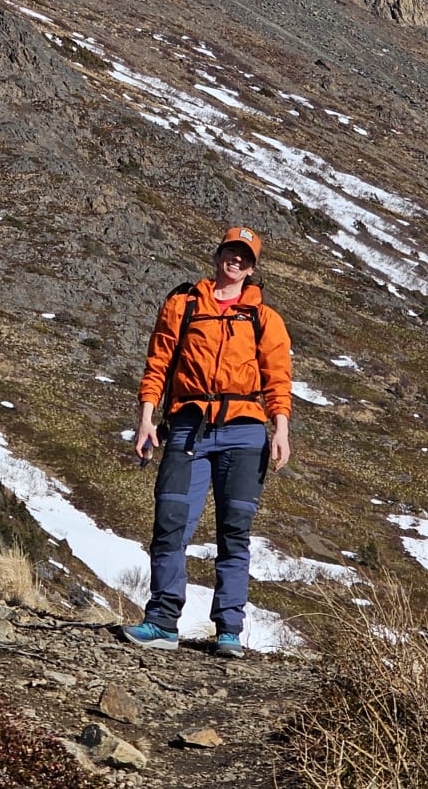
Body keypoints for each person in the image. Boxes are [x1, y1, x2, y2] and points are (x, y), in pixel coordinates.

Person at [121, 226, 292, 659]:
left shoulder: (264, 318)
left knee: (234, 533)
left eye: (244, 257)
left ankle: (229, 630)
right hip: (188, 425)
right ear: (218, 256)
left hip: (245, 430)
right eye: (230, 252)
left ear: (252, 268)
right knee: (171, 522)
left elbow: (277, 378)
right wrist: (146, 418)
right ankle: (161, 620)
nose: (235, 261)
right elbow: (157, 362)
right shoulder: (182, 305)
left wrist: (281, 430)